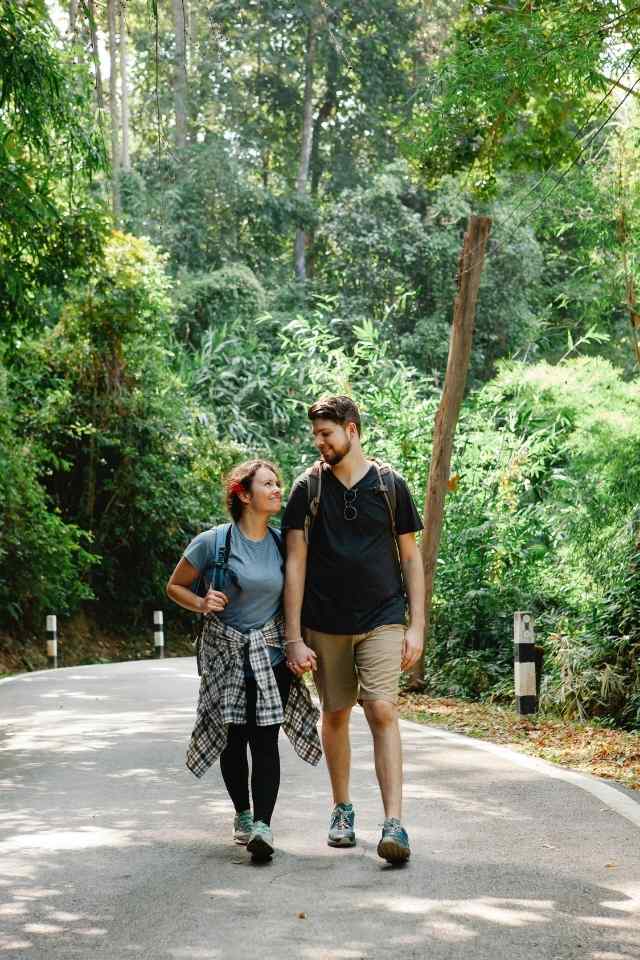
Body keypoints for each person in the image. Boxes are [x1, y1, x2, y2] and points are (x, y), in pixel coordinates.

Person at [282, 396, 425, 864]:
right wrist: (294, 635)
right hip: (325, 622)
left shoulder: (390, 486)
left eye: (327, 434)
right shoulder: (308, 489)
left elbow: (411, 558)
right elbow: (296, 563)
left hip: (383, 616)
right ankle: (341, 809)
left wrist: (417, 626)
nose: (319, 443)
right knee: (337, 712)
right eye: (316, 435)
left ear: (352, 429)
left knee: (381, 708)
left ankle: (394, 824)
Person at [167, 459, 321, 862]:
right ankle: (243, 813)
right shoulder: (213, 542)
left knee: (266, 738)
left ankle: (264, 828)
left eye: (277, 484)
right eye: (267, 484)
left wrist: (296, 642)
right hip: (225, 653)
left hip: (269, 653)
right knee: (233, 740)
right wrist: (201, 602)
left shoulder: (280, 543)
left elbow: (296, 597)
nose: (276, 490)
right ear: (243, 494)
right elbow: (174, 586)